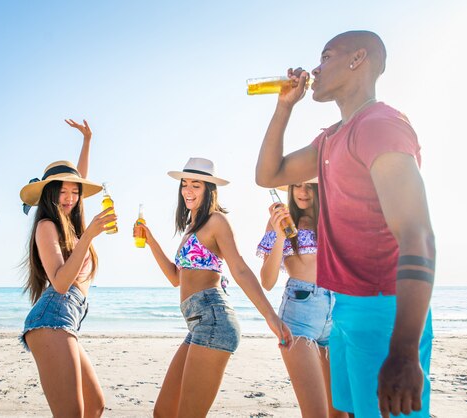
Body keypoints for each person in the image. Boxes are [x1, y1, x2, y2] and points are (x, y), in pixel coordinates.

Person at [255, 31, 435, 418]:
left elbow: (417, 235)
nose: (315, 69)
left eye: (326, 56)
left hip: (386, 311)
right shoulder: (330, 139)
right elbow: (268, 174)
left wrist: (404, 353)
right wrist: (285, 106)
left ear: (358, 59)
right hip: (344, 310)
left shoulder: (380, 125)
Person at [135, 157, 292, 418]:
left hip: (214, 321)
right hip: (197, 324)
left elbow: (240, 269)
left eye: (196, 185)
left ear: (209, 190)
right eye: (185, 184)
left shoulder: (216, 221)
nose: (188, 190)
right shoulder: (190, 228)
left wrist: (270, 316)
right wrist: (151, 241)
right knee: (163, 412)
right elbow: (176, 278)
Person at [19, 119, 116, 417]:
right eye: (63, 192)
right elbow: (61, 283)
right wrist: (88, 236)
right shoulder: (47, 226)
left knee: (95, 405)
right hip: (52, 318)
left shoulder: (71, 224)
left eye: (75, 193)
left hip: (68, 319)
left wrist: (87, 140)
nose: (71, 199)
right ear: (49, 194)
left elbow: (79, 178)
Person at [257, 179, 346, 418]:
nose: (303, 192)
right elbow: (267, 281)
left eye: (309, 186)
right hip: (300, 313)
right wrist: (277, 234)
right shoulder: (282, 222)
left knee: (340, 413)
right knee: (317, 413)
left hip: (336, 313)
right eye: (296, 186)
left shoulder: (332, 219)